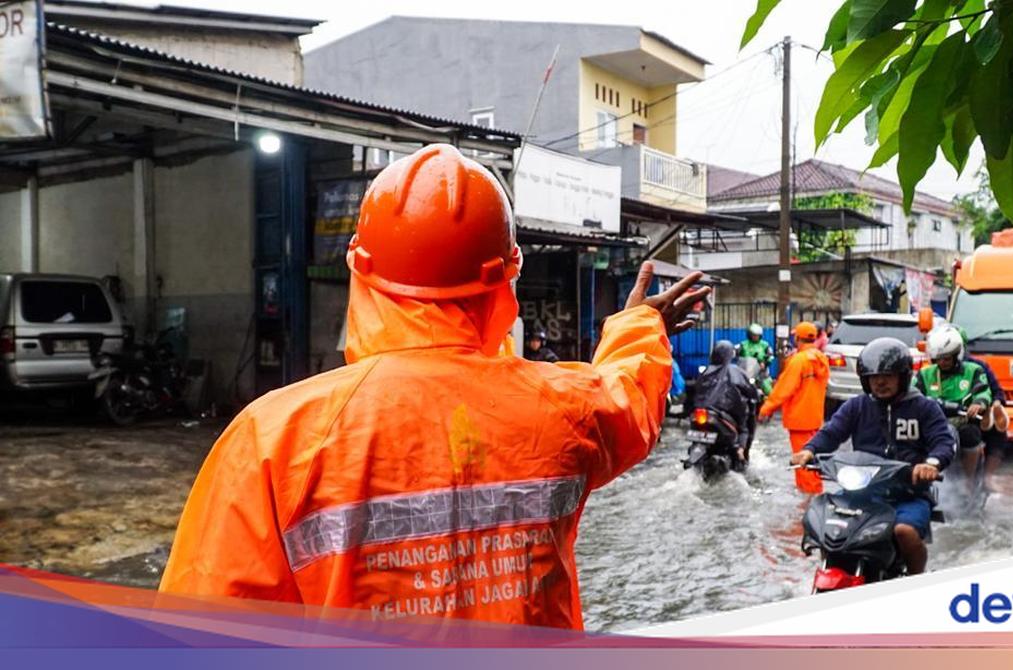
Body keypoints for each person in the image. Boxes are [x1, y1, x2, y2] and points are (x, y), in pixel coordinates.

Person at [158, 143, 710, 630]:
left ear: (361, 270)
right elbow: (629, 395)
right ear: (505, 278)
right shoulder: (564, 409)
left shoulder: (273, 437)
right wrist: (640, 325)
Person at [791, 337, 957, 574]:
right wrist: (809, 450)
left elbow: (943, 441)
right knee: (828, 525)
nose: (880, 382)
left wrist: (930, 464)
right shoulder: (856, 406)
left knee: (905, 532)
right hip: (861, 492)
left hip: (908, 494)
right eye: (874, 377)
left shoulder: (924, 408)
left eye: (888, 376)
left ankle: (916, 579)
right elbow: (832, 432)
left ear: (903, 377)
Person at [915, 325, 992, 497]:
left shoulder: (973, 371)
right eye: (938, 359)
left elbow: (983, 391)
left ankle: (968, 482)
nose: (942, 363)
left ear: (957, 355)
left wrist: (978, 403)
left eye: (947, 359)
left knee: (971, 435)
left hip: (962, 421)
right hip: (932, 423)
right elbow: (913, 393)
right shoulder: (925, 374)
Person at [758, 322, 829, 488]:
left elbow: (784, 389)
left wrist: (766, 409)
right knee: (811, 459)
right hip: (814, 418)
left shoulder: (798, 361)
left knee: (802, 463)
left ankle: (809, 497)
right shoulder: (821, 359)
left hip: (799, 419)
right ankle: (813, 492)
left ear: (798, 338)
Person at [956, 325, 1009, 493]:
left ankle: (985, 478)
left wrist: (994, 404)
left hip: (971, 415)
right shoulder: (929, 372)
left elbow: (995, 392)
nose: (944, 361)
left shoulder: (978, 368)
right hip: (940, 416)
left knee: (996, 431)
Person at [693, 340, 759, 465]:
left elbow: (694, 391)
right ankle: (741, 451)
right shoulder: (735, 371)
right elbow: (750, 391)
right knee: (744, 428)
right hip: (725, 413)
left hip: (705, 413)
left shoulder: (705, 371)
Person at [736, 323, 775, 394]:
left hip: (761, 372)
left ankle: (771, 399)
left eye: (757, 335)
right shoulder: (743, 344)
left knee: (767, 388)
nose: (755, 337)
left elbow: (771, 355)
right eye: (753, 335)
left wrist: (765, 363)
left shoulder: (765, 345)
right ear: (749, 335)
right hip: (747, 372)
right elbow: (734, 351)